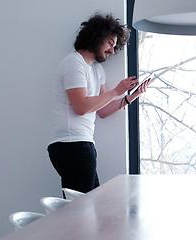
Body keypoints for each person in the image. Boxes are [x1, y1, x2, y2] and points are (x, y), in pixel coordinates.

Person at [47, 13, 149, 195]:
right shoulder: (74, 62)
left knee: (89, 207)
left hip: (84, 145)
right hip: (71, 145)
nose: (112, 51)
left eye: (114, 46)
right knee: (82, 212)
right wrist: (116, 91)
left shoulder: (96, 69)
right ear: (97, 36)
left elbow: (101, 110)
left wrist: (132, 96)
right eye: (110, 43)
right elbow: (82, 107)